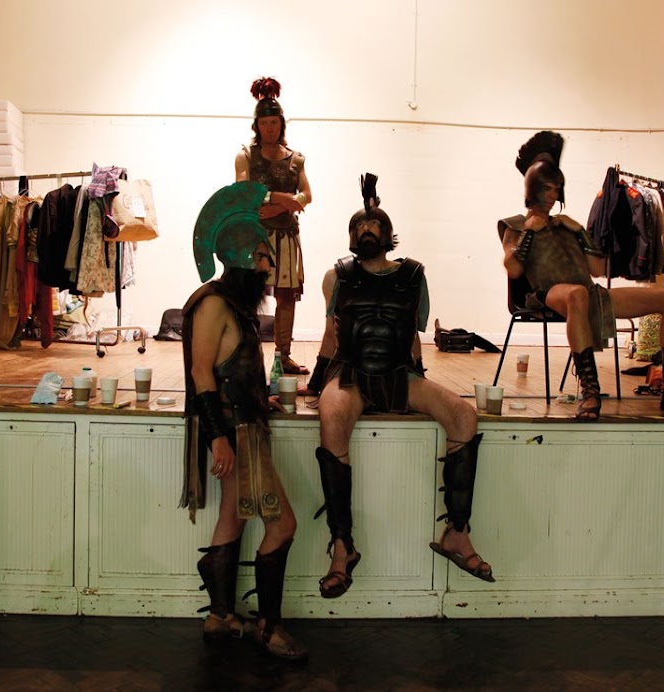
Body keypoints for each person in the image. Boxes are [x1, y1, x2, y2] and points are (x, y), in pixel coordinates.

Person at [311, 174, 494, 599]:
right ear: (351, 237)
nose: (366, 230)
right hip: (351, 372)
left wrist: (421, 379)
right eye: (358, 226)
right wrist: (317, 383)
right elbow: (332, 334)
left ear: (388, 234)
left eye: (373, 225)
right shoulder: (336, 276)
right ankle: (342, 545)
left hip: (398, 372)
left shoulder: (413, 276)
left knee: (463, 415)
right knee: (330, 418)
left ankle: (457, 532)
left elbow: (412, 333)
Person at [500, 131, 664, 421]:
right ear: (534, 189)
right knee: (577, 294)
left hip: (588, 292)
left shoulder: (566, 227)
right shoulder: (514, 226)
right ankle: (590, 390)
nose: (552, 195)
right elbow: (513, 269)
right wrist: (529, 233)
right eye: (548, 188)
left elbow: (597, 270)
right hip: (547, 294)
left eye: (557, 189)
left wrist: (580, 232)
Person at [181, 181, 306, 660]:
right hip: (233, 432)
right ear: (238, 257)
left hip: (244, 423)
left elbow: (232, 366)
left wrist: (258, 397)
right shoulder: (213, 303)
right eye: (260, 257)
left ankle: (219, 617)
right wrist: (218, 439)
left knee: (232, 514)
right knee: (283, 525)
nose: (268, 266)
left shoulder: (232, 303)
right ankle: (270, 629)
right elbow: (202, 374)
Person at [235, 76, 313, 375]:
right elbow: (243, 193)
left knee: (286, 297)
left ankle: (283, 356)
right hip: (256, 237)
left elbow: (306, 195)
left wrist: (278, 206)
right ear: (257, 125)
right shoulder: (246, 156)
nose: (270, 128)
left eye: (274, 123)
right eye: (265, 123)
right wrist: (282, 198)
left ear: (282, 124)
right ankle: (246, 354)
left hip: (287, 235)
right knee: (248, 296)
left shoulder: (296, 160)